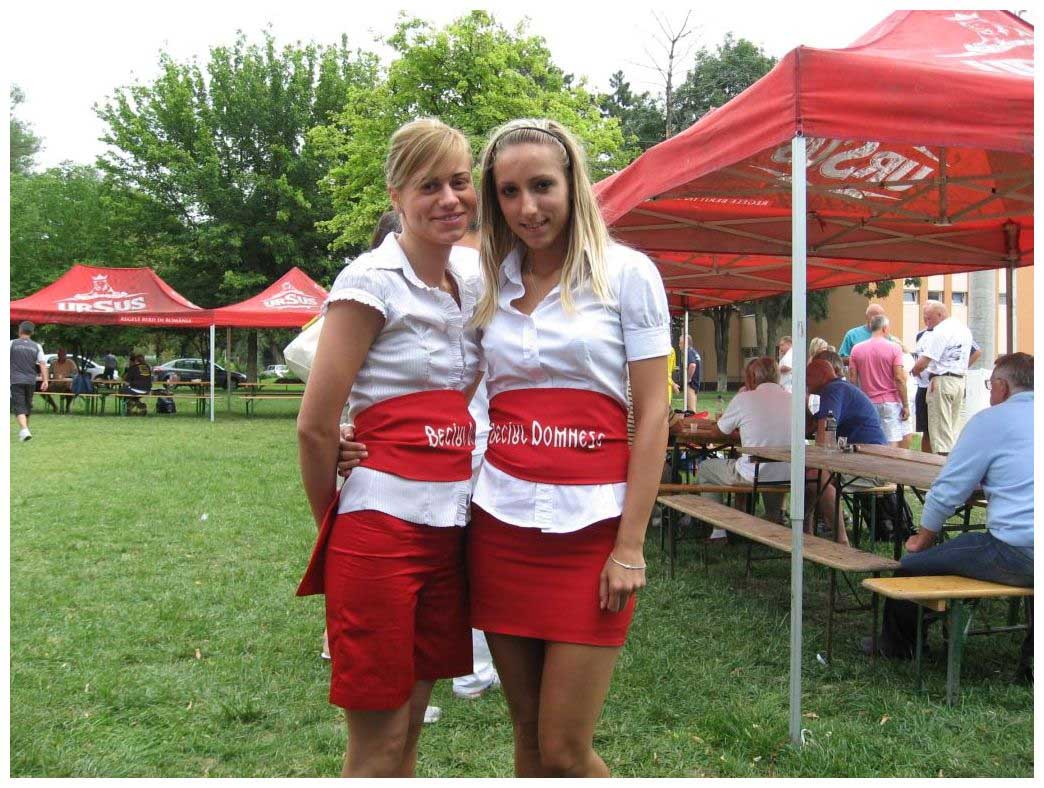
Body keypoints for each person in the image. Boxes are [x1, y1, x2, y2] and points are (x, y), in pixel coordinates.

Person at [466, 118, 670, 778]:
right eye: (509, 192)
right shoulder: (487, 281)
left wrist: (630, 545)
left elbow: (654, 412)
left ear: (573, 184)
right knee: (527, 736)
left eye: (542, 186)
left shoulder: (627, 274)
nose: (528, 207)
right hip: (500, 528)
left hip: (594, 534)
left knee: (564, 748)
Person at [296, 118, 482, 777]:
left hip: (448, 529)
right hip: (379, 530)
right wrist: (335, 523)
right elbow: (315, 426)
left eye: (460, 181)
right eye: (429, 185)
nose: (449, 199)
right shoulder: (371, 279)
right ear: (396, 194)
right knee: (376, 748)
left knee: (407, 737)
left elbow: (459, 397)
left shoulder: (470, 282)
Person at [868, 353, 1033, 677]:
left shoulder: (992, 421)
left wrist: (923, 538)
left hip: (1017, 550)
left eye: (990, 386)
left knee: (911, 566)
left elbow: (948, 489)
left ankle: (899, 645)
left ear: (1001, 386)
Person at [696, 357, 791, 532]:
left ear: (753, 378)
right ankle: (773, 520)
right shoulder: (793, 399)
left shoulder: (744, 398)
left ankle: (718, 531)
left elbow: (718, 432)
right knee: (771, 470)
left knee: (705, 468)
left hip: (754, 474)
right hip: (788, 473)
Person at [805, 359, 887, 545]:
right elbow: (811, 430)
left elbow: (823, 440)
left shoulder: (832, 390)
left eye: (808, 376)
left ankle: (841, 540)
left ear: (823, 375)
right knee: (808, 474)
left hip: (872, 463)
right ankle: (805, 532)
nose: (805, 381)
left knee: (814, 474)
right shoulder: (838, 389)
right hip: (862, 458)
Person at [909, 300, 974, 455]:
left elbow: (923, 362)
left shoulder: (940, 331)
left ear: (940, 315)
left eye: (929, 318)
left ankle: (942, 465)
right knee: (951, 428)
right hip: (959, 380)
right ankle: (952, 459)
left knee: (940, 433)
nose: (927, 322)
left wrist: (913, 371)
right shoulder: (963, 329)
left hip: (942, 380)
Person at [847, 315, 909, 446]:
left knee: (870, 441)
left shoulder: (856, 349)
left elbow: (852, 379)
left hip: (866, 401)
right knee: (891, 440)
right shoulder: (895, 348)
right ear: (885, 328)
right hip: (889, 402)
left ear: (871, 328)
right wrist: (906, 405)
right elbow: (899, 378)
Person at [10, 321, 48, 442]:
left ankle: (25, 429)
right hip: (31, 381)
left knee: (19, 405)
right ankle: (25, 431)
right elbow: (42, 364)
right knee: (27, 405)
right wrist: (45, 380)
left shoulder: (11, 344)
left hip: (15, 380)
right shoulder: (37, 346)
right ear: (32, 332)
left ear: (20, 330)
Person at [44, 348, 79, 414]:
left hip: (66, 384)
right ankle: (54, 406)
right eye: (60, 354)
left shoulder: (70, 362)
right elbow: (49, 373)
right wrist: (48, 378)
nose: (62, 356)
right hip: (55, 384)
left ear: (65, 355)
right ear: (58, 355)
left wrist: (68, 377)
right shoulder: (54, 363)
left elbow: (75, 373)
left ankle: (67, 407)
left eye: (63, 354)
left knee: (69, 390)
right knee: (43, 390)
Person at [679, 334, 701, 410]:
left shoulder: (688, 352)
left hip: (691, 385)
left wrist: (688, 378)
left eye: (680, 343)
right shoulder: (693, 352)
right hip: (695, 384)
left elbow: (692, 365)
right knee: (691, 408)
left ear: (686, 343)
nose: (679, 345)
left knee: (691, 409)